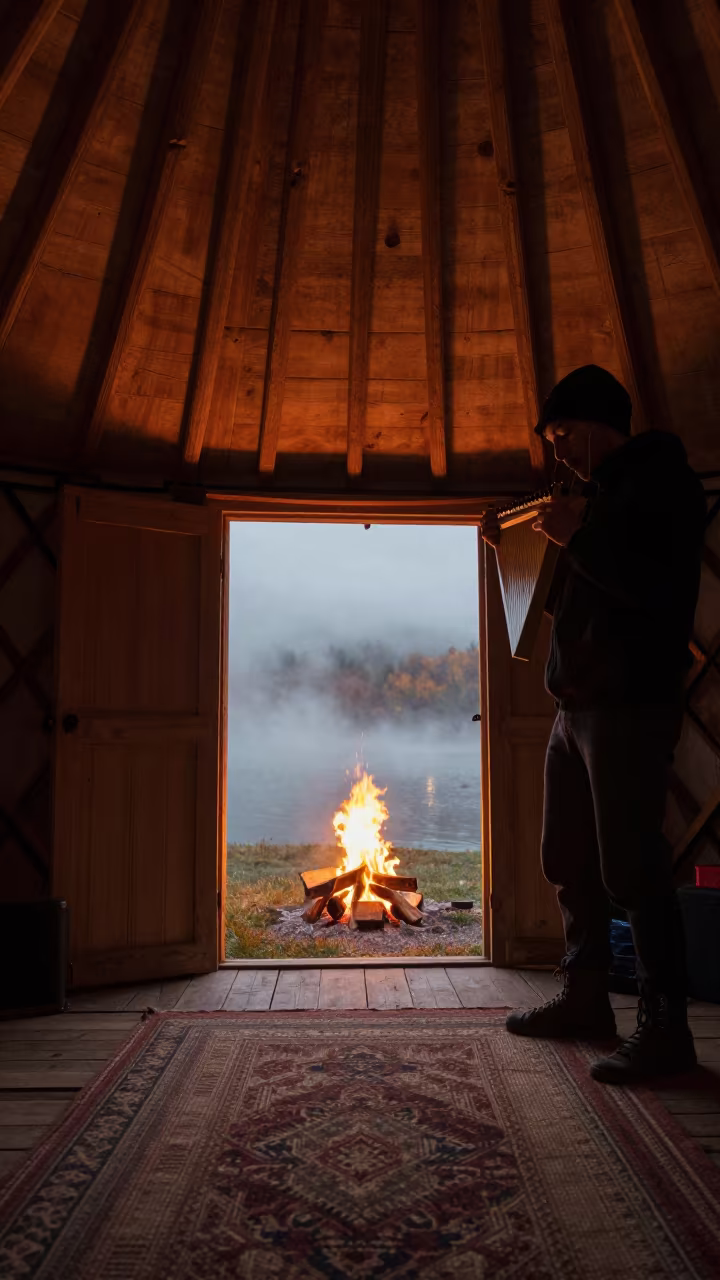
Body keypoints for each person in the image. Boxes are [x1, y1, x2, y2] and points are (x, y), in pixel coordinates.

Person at [480, 364, 706, 1085]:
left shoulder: (662, 486)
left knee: (633, 866)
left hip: (631, 706)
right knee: (565, 856)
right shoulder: (595, 499)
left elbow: (655, 592)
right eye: (553, 440)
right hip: (574, 707)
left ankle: (666, 1030)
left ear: (598, 423)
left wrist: (578, 535)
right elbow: (585, 610)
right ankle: (584, 999)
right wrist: (513, 555)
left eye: (564, 435)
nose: (560, 453)